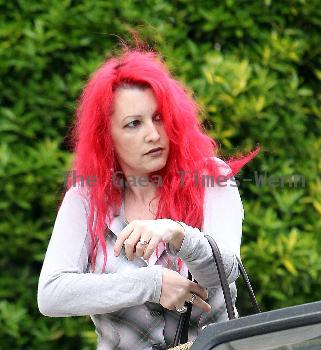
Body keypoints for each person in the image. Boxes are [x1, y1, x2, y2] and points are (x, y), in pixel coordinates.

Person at [37, 43, 260, 350]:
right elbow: (51, 294)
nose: (153, 134)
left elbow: (226, 269)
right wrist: (150, 284)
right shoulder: (86, 198)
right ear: (107, 136)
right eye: (134, 124)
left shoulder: (210, 178)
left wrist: (178, 233)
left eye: (159, 118)